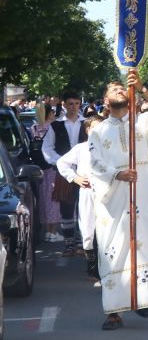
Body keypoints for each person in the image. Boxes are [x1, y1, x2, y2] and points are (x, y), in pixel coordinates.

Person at [88, 71, 148, 330]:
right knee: (113, 251)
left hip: (143, 193)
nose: (119, 91)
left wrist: (143, 87)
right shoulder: (98, 131)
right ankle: (114, 312)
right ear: (105, 101)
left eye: (122, 88)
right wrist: (117, 174)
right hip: (113, 198)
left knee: (143, 245)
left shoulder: (143, 123)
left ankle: (142, 298)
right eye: (113, 90)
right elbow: (94, 164)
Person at [56, 115, 104, 281]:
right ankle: (92, 266)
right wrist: (74, 177)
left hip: (108, 193)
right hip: (88, 192)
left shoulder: (111, 147)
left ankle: (107, 266)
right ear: (88, 130)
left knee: (107, 230)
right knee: (88, 229)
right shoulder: (81, 148)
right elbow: (62, 163)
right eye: (94, 127)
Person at [43, 90, 86, 256]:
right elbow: (47, 148)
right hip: (64, 172)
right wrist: (60, 162)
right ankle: (69, 244)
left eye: (76, 103)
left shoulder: (87, 123)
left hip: (85, 171)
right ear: (64, 105)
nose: (74, 107)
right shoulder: (56, 125)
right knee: (67, 208)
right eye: (70, 104)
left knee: (84, 207)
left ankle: (82, 243)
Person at [33, 104, 62, 242]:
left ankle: (46, 231)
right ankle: (53, 232)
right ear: (49, 113)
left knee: (43, 200)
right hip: (51, 167)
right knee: (54, 199)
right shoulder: (53, 127)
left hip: (38, 168)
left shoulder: (33, 128)